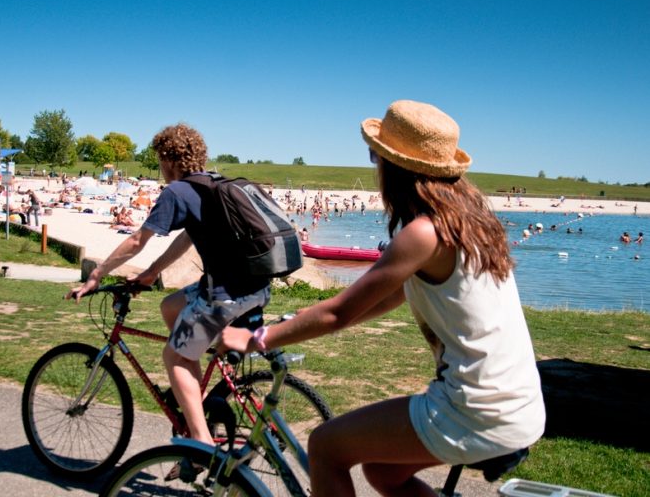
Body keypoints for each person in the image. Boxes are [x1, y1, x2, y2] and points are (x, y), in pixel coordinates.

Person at [221, 100, 546, 496]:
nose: (374, 165)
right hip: (518, 405)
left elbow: (339, 314)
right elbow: (390, 298)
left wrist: (257, 338)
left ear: (395, 167)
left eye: (375, 155)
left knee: (325, 447)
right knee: (382, 473)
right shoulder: (472, 224)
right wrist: (309, 315)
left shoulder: (423, 233)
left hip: (475, 408)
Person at [67, 123, 271, 446]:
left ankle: (201, 444)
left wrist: (97, 274)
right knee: (170, 307)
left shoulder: (177, 191)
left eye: (160, 161)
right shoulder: (211, 184)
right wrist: (151, 273)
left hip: (223, 295)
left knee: (174, 357)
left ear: (169, 159)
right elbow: (188, 237)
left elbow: (137, 240)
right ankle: (197, 392)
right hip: (256, 288)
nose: (160, 168)